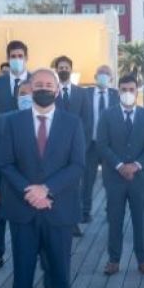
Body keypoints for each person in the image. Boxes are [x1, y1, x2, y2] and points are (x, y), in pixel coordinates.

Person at [0, 69, 85, 288]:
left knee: (59, 275)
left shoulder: (73, 123)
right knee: (22, 276)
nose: (44, 88)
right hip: (23, 211)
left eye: (49, 85)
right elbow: (6, 164)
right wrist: (30, 192)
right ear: (30, 89)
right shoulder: (12, 122)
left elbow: (77, 165)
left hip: (58, 210)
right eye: (39, 85)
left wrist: (46, 190)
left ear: (58, 90)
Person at [97, 75, 144, 275]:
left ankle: (143, 258)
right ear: (118, 91)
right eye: (123, 89)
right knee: (114, 218)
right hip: (114, 178)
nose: (127, 93)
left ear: (137, 91)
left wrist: (136, 166)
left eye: (131, 89)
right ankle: (113, 260)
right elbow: (102, 145)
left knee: (140, 219)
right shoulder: (107, 115)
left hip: (139, 178)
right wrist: (120, 165)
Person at [0, 80, 32, 272]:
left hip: (33, 186)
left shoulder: (45, 120)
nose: (26, 97)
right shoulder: (5, 119)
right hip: (6, 184)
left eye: (30, 93)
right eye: (22, 94)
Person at [0, 41, 29, 221]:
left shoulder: (35, 80)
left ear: (26, 58)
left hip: (29, 148)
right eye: (13, 56)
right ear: (8, 59)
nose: (17, 59)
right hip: (2, 147)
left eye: (20, 56)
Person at [52, 55, 88, 237]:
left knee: (75, 187)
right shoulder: (51, 92)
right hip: (54, 149)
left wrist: (83, 145)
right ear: (56, 70)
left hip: (75, 148)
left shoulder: (82, 93)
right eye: (61, 67)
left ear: (71, 70)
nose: (64, 70)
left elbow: (87, 121)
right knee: (56, 186)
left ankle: (74, 222)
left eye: (67, 67)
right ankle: (58, 219)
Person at [81, 65, 119, 223]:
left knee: (110, 180)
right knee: (87, 180)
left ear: (111, 78)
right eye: (101, 73)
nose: (103, 76)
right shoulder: (85, 94)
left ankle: (111, 211)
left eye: (107, 73)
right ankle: (84, 211)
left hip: (110, 146)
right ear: (95, 76)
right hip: (90, 144)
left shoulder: (116, 95)